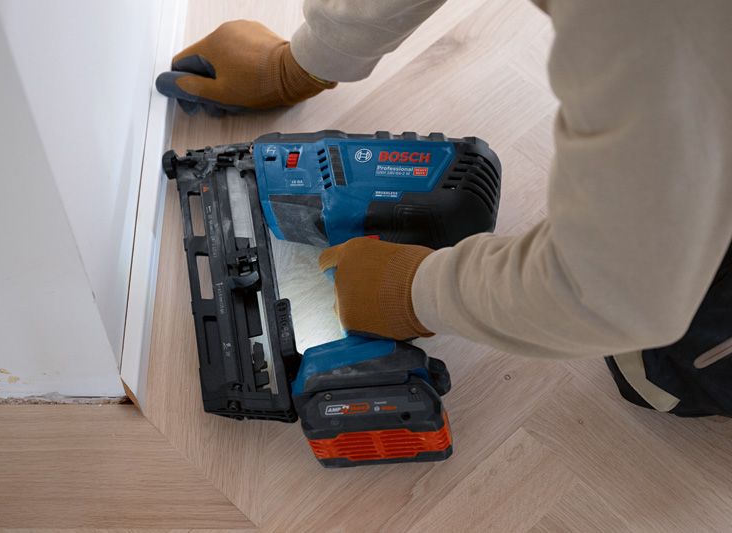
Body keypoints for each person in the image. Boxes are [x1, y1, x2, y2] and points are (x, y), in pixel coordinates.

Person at [156, 1, 732, 417]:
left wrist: (414, 294)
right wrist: (309, 57)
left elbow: (619, 293)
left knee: (661, 370)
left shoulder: (661, 30)